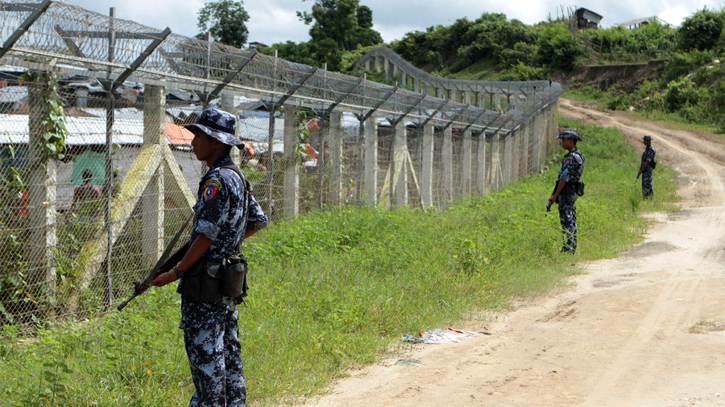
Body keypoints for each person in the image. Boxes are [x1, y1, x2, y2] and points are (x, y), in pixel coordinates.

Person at [150, 108, 268, 407]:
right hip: (227, 282)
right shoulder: (237, 177)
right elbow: (257, 221)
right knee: (229, 360)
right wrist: (227, 246)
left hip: (204, 285)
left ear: (216, 142)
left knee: (208, 367)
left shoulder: (216, 180)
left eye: (198, 137)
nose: (193, 143)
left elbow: (205, 235)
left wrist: (176, 273)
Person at [548, 130, 584, 254]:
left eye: (564, 140)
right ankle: (570, 246)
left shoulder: (571, 157)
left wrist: (555, 195)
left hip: (567, 192)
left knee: (567, 220)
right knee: (571, 219)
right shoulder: (576, 155)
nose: (562, 142)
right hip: (571, 192)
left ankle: (569, 248)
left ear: (571, 141)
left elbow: (564, 178)